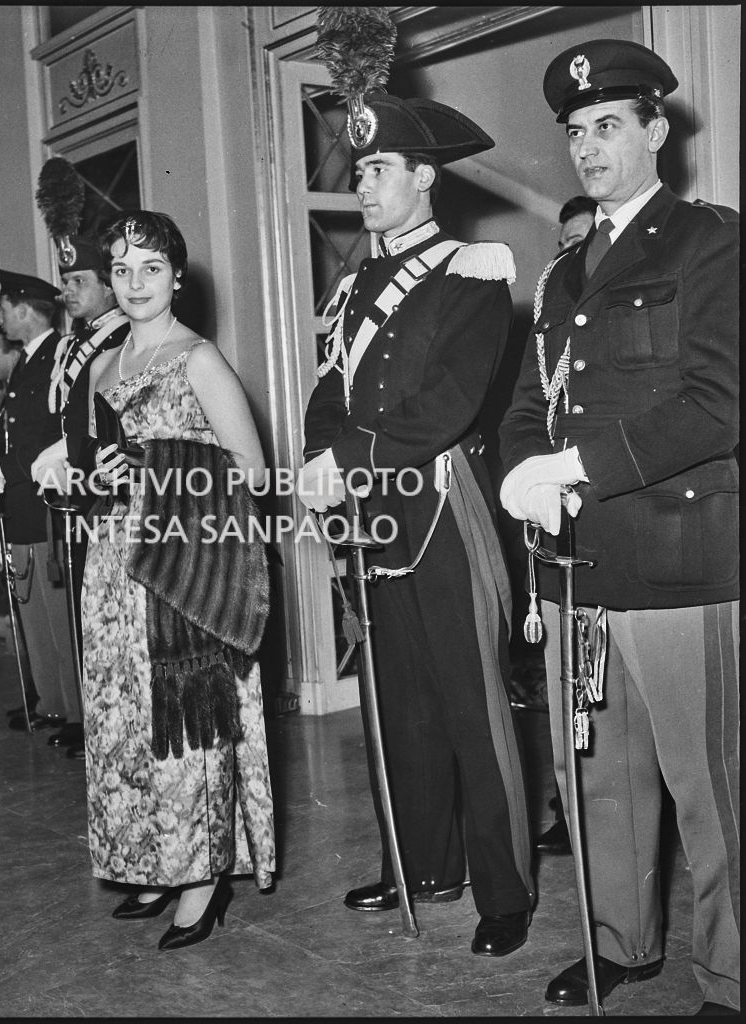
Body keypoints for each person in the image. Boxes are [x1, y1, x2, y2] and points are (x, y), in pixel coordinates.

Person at [498, 39, 739, 1015]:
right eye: (575, 131)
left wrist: (576, 466)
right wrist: (523, 463)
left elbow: (719, 403)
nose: (590, 147)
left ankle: (728, 977)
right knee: (597, 775)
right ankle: (620, 945)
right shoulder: (559, 275)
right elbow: (526, 399)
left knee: (709, 793)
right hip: (577, 565)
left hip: (683, 560)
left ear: (653, 129)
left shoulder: (710, 243)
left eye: (609, 125)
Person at [296, 91, 534, 957]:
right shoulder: (354, 285)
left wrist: (350, 455)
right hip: (371, 514)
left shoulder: (473, 270)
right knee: (400, 703)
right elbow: (330, 390)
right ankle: (421, 863)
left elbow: (449, 402)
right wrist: (324, 456)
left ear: (423, 177)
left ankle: (503, 890)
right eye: (357, 170)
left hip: (440, 503)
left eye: (379, 169)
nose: (362, 185)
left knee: (472, 704)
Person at [80, 210, 275, 950]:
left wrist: (157, 463)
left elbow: (252, 472)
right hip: (112, 572)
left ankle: (200, 878)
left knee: (183, 725)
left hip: (182, 571)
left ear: (177, 277)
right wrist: (97, 474)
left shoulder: (197, 358)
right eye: (122, 269)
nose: (134, 283)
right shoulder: (102, 365)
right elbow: (106, 469)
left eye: (151, 268)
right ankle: (153, 862)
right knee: (124, 724)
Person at [0, 270, 83, 744]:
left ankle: (79, 715)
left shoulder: (60, 356)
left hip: (45, 505)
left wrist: (5, 470)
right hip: (19, 506)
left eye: (2, 307)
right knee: (33, 613)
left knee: (60, 619)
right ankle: (52, 704)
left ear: (24, 308)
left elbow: (48, 438)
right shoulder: (25, 362)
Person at [28, 233, 130, 752]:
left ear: (111, 288)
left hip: (103, 484)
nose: (68, 291)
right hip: (78, 484)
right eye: (65, 281)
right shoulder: (81, 339)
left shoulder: (117, 339)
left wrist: (73, 457)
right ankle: (84, 714)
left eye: (79, 281)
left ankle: (96, 717)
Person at [535, 192, 599, 859]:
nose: (571, 252)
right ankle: (569, 807)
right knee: (564, 678)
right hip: (556, 524)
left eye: (584, 238)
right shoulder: (545, 322)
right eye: (563, 241)